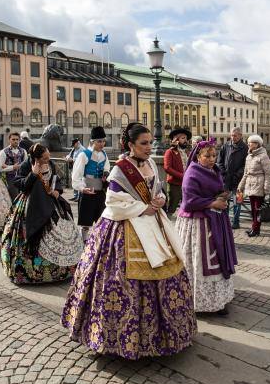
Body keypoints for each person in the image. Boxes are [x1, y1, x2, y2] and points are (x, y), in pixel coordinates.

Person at [62, 122, 196, 359]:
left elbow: (158, 189)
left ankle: (164, 334)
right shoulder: (119, 170)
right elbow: (113, 201)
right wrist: (143, 208)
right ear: (130, 145)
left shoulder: (151, 164)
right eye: (143, 143)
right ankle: (114, 337)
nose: (148, 147)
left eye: (149, 143)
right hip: (124, 228)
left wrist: (160, 199)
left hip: (153, 223)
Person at [1, 143, 81, 284]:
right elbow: (19, 184)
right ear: (36, 158)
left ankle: (62, 270)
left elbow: (56, 179)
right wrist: (33, 174)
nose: (47, 160)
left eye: (48, 157)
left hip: (51, 203)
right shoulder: (26, 165)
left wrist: (57, 190)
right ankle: (31, 272)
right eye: (44, 158)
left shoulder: (50, 163)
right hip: (32, 203)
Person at [176, 139, 237, 314]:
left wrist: (221, 196)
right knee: (200, 262)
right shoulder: (192, 173)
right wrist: (213, 203)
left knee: (217, 259)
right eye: (207, 156)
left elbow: (211, 191)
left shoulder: (214, 170)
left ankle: (217, 299)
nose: (212, 159)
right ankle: (200, 302)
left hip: (214, 220)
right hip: (197, 223)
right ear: (197, 156)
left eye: (214, 155)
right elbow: (189, 202)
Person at [71, 127, 110, 238]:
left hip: (100, 192)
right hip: (87, 192)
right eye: (99, 141)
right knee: (85, 223)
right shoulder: (84, 155)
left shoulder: (104, 154)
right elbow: (76, 175)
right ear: (92, 141)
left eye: (103, 141)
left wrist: (106, 173)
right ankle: (84, 244)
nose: (102, 144)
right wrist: (82, 189)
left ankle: (97, 244)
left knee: (101, 221)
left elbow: (107, 167)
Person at [237, 134, 270, 237]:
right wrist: (240, 186)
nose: (248, 144)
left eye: (250, 142)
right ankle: (254, 227)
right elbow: (246, 173)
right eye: (248, 142)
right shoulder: (249, 156)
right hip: (250, 185)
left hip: (259, 185)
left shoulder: (263, 156)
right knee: (253, 209)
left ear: (256, 144)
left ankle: (256, 229)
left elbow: (268, 174)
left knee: (257, 209)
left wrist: (266, 189)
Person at [217, 127, 247, 229]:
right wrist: (223, 173)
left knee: (237, 201)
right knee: (224, 200)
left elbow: (245, 165)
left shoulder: (245, 148)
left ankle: (236, 221)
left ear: (240, 136)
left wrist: (238, 174)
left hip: (239, 180)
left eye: (235, 135)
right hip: (226, 179)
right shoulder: (226, 146)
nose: (233, 137)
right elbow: (219, 161)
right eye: (231, 135)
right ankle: (225, 220)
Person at [164, 128, 191, 216]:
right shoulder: (170, 152)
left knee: (187, 206)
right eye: (183, 138)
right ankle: (168, 225)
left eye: (186, 138)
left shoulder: (187, 152)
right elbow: (167, 168)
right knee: (171, 207)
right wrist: (182, 176)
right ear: (176, 140)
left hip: (187, 184)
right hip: (175, 184)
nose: (186, 140)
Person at [0, 132, 27, 201]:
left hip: (22, 178)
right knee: (13, 198)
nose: (15, 141)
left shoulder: (23, 151)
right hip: (10, 179)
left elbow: (26, 165)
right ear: (9, 140)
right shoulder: (3, 152)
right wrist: (12, 167)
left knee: (23, 198)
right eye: (13, 139)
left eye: (17, 139)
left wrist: (7, 166)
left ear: (19, 140)